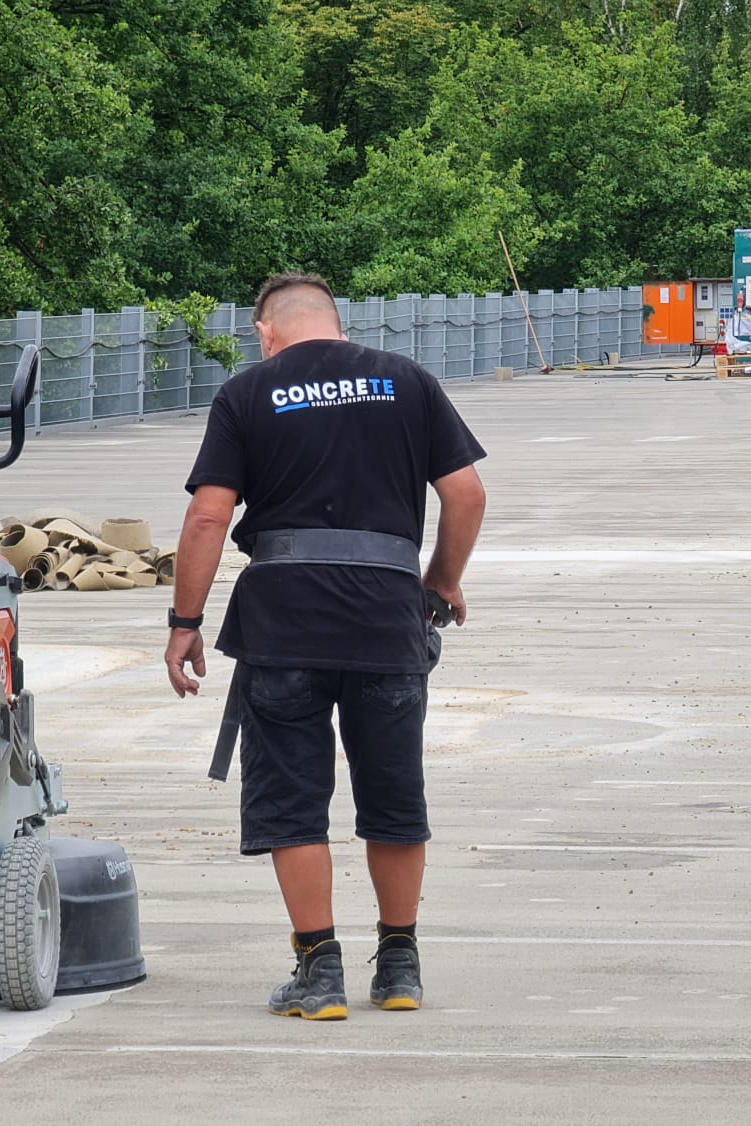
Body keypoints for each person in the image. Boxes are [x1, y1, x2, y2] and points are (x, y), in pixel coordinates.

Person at [165, 272, 488, 1021]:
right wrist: (439, 582)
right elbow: (466, 494)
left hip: (285, 626)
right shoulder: (408, 381)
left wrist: (185, 622)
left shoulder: (248, 392)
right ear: (336, 324)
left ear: (266, 331)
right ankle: (399, 967)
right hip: (385, 618)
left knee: (292, 802)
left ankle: (318, 974)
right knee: (393, 797)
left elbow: (210, 519)